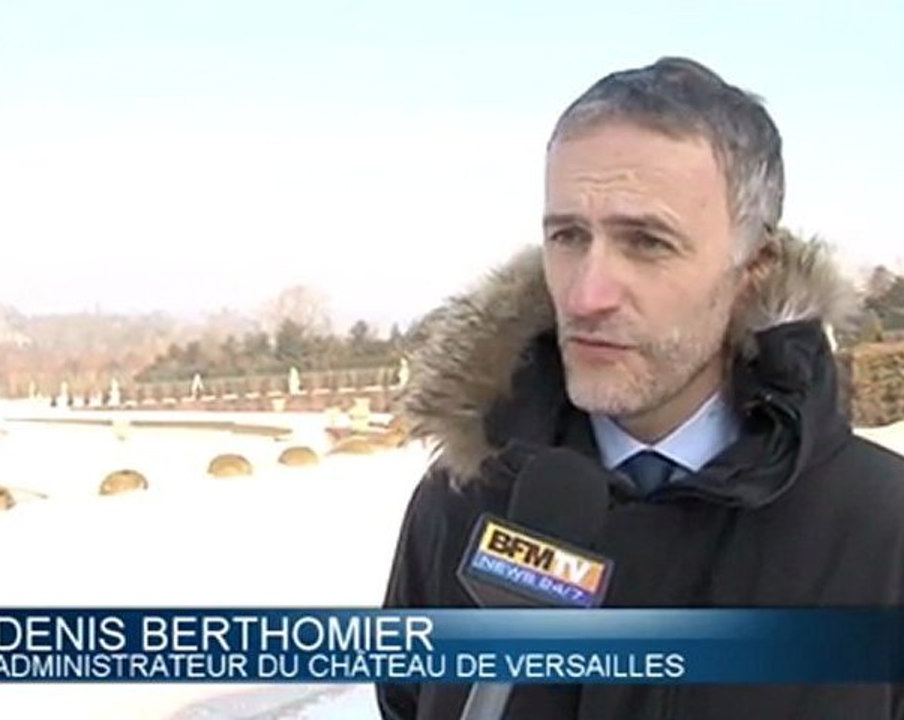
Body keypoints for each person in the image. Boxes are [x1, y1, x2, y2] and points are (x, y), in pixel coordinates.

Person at [377, 57, 904, 719]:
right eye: (567, 236)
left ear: (752, 268)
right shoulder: (462, 500)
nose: (586, 294)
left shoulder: (882, 531)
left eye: (648, 242)